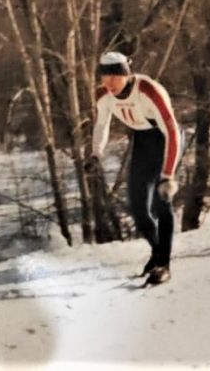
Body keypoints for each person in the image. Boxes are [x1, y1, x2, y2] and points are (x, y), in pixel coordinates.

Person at [85, 52, 182, 285]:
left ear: (126, 76)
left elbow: (172, 132)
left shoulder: (149, 90)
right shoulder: (103, 95)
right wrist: (95, 154)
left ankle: (164, 265)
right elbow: (101, 125)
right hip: (142, 142)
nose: (109, 84)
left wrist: (168, 175)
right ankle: (157, 252)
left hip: (166, 140)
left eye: (114, 79)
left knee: (161, 202)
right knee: (138, 208)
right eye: (104, 79)